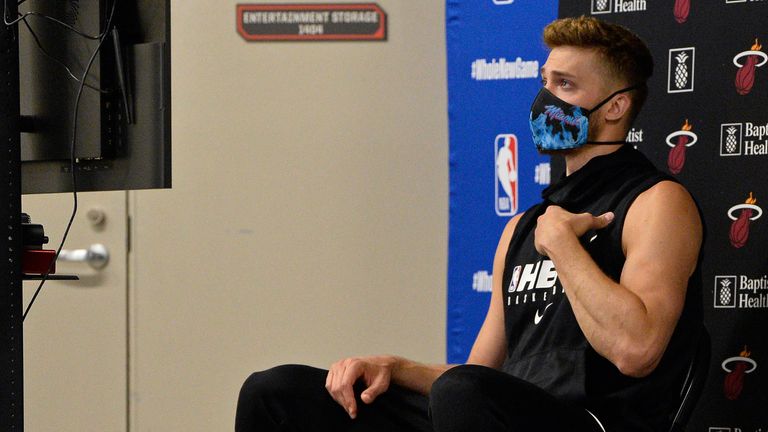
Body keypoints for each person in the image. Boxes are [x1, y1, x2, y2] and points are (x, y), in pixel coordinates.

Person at [235, 16, 704, 432]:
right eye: (544, 82)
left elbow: (637, 351)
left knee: (463, 393)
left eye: (565, 85)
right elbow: (480, 372)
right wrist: (394, 367)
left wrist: (563, 247)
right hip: (498, 411)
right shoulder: (526, 225)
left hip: (594, 420)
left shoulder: (656, 202)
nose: (544, 100)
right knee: (276, 392)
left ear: (615, 107)